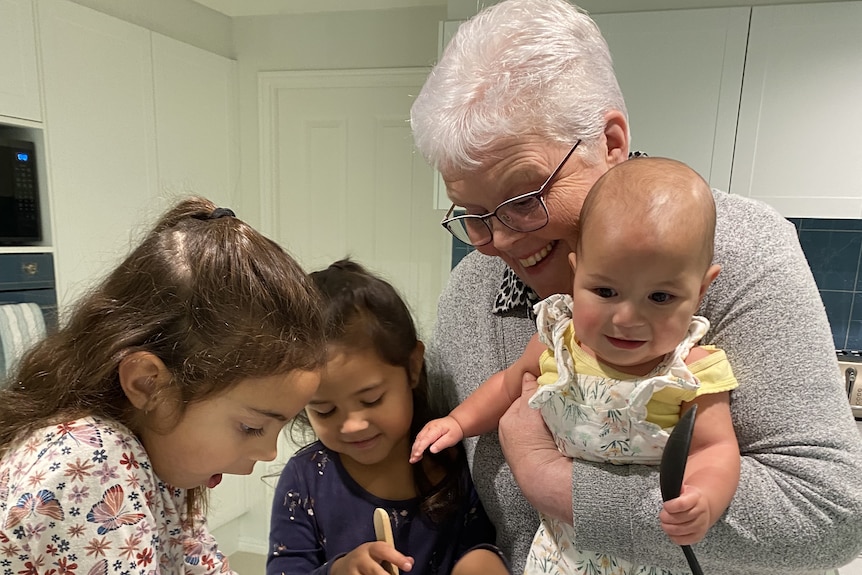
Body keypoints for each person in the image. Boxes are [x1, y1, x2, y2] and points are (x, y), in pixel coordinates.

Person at [409, 0, 862, 574]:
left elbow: (830, 511)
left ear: (612, 142)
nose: (497, 239)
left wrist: (551, 480)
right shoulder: (470, 292)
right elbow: (453, 489)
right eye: (472, 213)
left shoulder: (744, 251)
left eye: (523, 199)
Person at [412, 157, 740, 572]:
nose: (626, 318)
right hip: (559, 551)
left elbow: (715, 448)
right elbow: (507, 385)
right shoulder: (557, 340)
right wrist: (458, 423)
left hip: (653, 561)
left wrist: (705, 498)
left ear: (701, 290)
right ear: (576, 273)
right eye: (604, 291)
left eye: (660, 298)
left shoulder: (693, 371)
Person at [0, 197, 325, 574]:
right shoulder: (90, 461)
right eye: (252, 427)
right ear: (148, 383)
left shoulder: (157, 461)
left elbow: (202, 565)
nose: (269, 453)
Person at [266, 259, 509, 575]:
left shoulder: (449, 464)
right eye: (325, 410)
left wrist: (481, 562)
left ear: (412, 367)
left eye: (371, 399)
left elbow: (477, 545)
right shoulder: (306, 479)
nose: (352, 424)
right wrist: (338, 571)